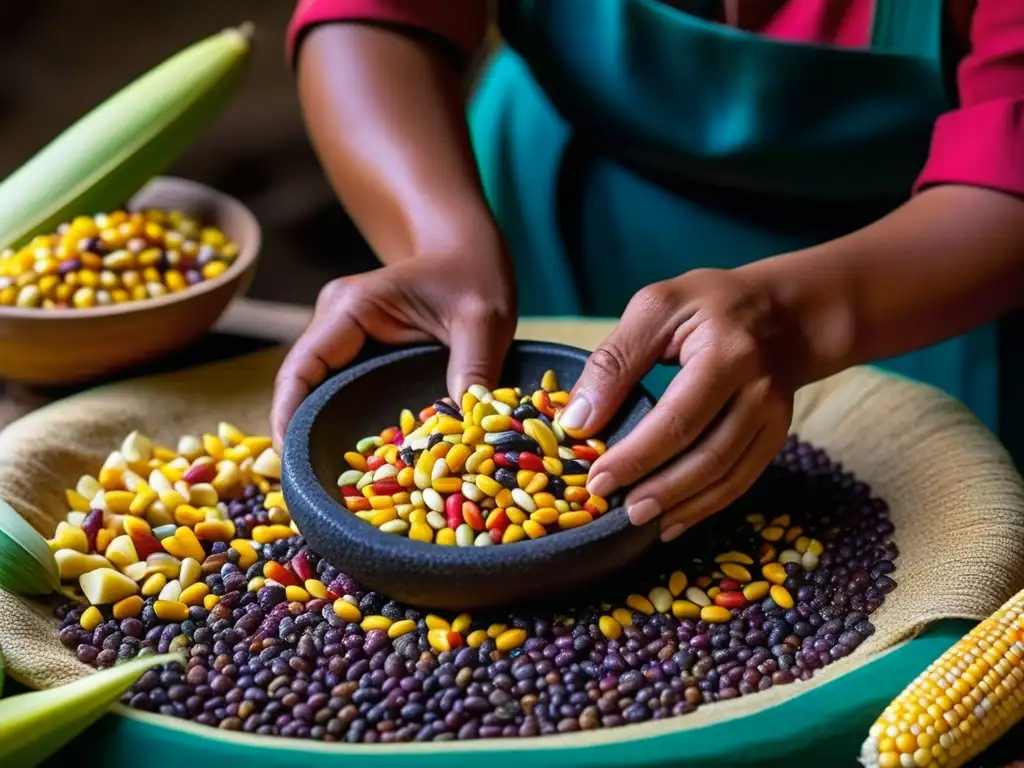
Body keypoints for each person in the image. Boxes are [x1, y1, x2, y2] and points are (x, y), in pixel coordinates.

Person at [272, 0, 1024, 543]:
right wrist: (434, 236)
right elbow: (374, 12)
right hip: (554, 207)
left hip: (918, 275)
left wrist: (794, 320)